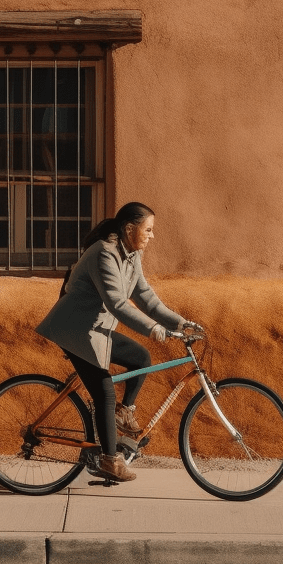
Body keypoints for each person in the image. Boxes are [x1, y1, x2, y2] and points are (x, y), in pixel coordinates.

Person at [34, 202, 197, 484]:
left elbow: (146, 297)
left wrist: (180, 323)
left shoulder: (131, 255)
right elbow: (117, 303)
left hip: (97, 331)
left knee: (141, 358)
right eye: (148, 229)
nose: (152, 236)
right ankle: (110, 460)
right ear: (129, 229)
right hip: (75, 330)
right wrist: (152, 328)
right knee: (105, 393)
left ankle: (122, 415)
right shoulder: (104, 254)